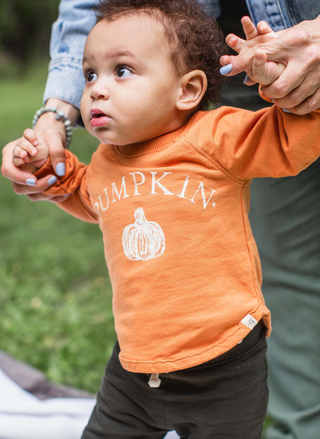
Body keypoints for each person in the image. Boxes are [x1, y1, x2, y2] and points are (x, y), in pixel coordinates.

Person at [2, 1, 320, 439]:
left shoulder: (217, 137)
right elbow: (84, 191)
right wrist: (43, 166)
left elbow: (291, 138)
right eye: (90, 74)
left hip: (224, 368)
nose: (95, 89)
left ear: (187, 90)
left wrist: (279, 92)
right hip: (133, 370)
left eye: (123, 71)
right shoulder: (107, 161)